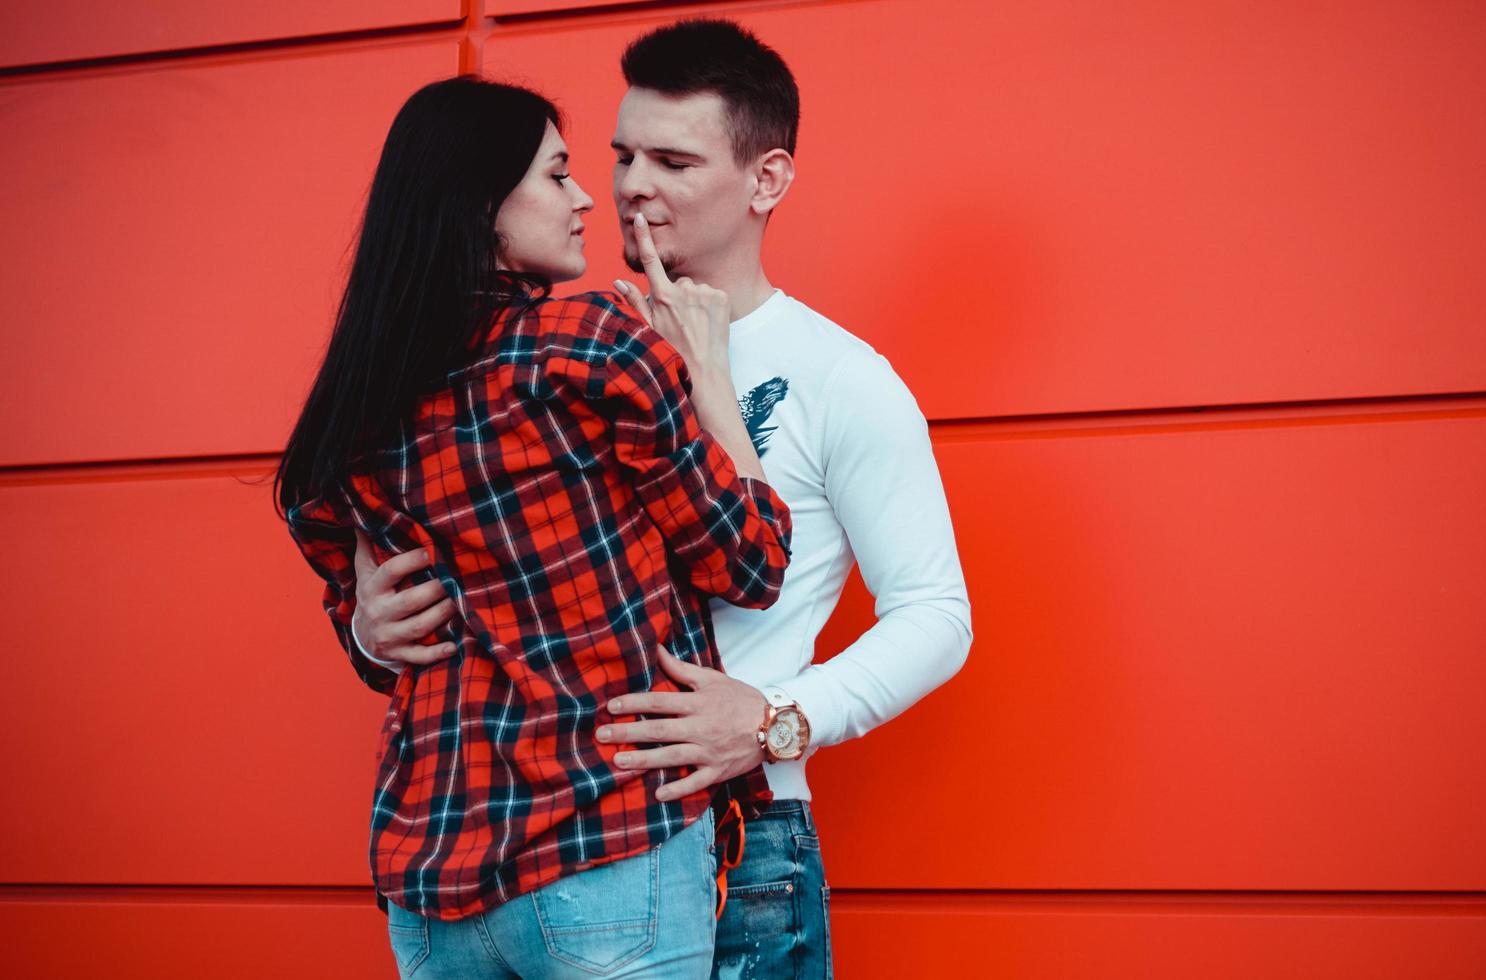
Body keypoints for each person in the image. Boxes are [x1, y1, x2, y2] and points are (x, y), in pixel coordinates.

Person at [353, 18, 974, 977]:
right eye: (621, 155)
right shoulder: (547, 348)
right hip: (526, 841)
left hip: (735, 830)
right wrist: (370, 629)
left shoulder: (838, 375)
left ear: (765, 180)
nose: (633, 185)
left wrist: (772, 718)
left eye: (674, 160)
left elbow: (935, 615)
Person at [276, 75, 791, 978]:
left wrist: (363, 631)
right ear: (483, 205)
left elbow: (365, 617)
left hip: (434, 875)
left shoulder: (359, 404)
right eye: (558, 175)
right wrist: (709, 378)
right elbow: (751, 558)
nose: (590, 195)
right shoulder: (587, 344)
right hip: (604, 842)